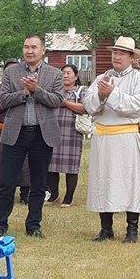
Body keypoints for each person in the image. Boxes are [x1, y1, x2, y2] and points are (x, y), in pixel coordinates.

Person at [0, 35, 64, 239]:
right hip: (15, 132)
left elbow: (57, 100)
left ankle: (33, 225)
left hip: (42, 134)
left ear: (43, 50)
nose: (29, 51)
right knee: (7, 181)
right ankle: (0, 224)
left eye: (34, 47)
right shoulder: (12, 72)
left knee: (39, 182)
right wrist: (23, 93)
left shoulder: (55, 74)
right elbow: (2, 100)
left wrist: (36, 90)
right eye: (26, 47)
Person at [84, 37, 140, 242]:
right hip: (103, 136)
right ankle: (106, 228)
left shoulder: (139, 80)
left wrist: (111, 94)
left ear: (131, 57)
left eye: (122, 53)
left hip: (126, 136)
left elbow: (135, 106)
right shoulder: (101, 78)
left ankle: (132, 229)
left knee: (130, 181)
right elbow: (88, 104)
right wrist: (101, 96)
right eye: (115, 52)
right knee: (102, 180)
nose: (117, 56)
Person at [0, 60, 32, 201]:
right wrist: (12, 100)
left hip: (22, 129)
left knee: (25, 164)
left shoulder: (28, 86)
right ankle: (2, 192)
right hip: (3, 130)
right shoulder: (0, 88)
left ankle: (25, 193)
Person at [46, 64, 86, 207]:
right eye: (63, 73)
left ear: (76, 76)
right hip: (52, 131)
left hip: (72, 134)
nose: (65, 75)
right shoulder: (54, 90)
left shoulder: (81, 91)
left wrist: (65, 103)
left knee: (71, 166)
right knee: (51, 165)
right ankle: (53, 195)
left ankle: (68, 198)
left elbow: (84, 108)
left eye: (69, 73)